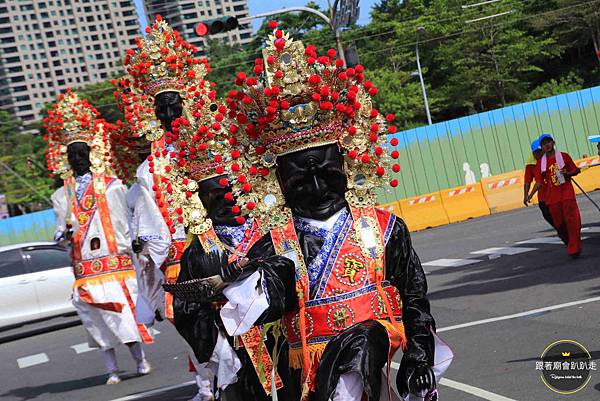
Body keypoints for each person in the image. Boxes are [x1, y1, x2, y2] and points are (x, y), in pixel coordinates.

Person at [218, 22, 453, 401]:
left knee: (363, 341)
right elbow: (265, 306)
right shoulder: (272, 242)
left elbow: (414, 297)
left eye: (326, 174)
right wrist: (241, 279)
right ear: (277, 180)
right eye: (300, 179)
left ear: (346, 163)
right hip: (305, 368)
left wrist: (420, 355)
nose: (315, 188)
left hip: (370, 352)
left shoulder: (383, 228)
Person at [44, 91, 152, 385]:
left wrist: (135, 249)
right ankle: (112, 369)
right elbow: (58, 233)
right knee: (97, 325)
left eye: (82, 153)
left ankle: (140, 359)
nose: (77, 160)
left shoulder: (111, 186)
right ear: (65, 160)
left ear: (92, 154)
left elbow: (125, 222)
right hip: (85, 270)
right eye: (72, 156)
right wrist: (63, 232)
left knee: (123, 319)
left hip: (114, 264)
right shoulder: (61, 195)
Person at [528, 134, 582, 257]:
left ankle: (574, 247)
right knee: (559, 224)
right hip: (552, 198)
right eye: (544, 144)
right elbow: (539, 182)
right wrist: (530, 194)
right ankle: (570, 242)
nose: (547, 145)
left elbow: (576, 170)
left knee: (572, 220)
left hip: (567, 194)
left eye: (548, 142)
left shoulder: (563, 156)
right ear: (542, 147)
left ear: (553, 143)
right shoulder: (541, 164)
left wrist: (567, 173)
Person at [524, 138, 554, 228]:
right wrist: (526, 195)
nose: (539, 154)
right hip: (543, 197)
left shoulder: (552, 158)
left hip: (555, 193)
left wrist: (531, 194)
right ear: (533, 153)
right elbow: (527, 181)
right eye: (536, 152)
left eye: (540, 151)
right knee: (548, 216)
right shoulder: (531, 165)